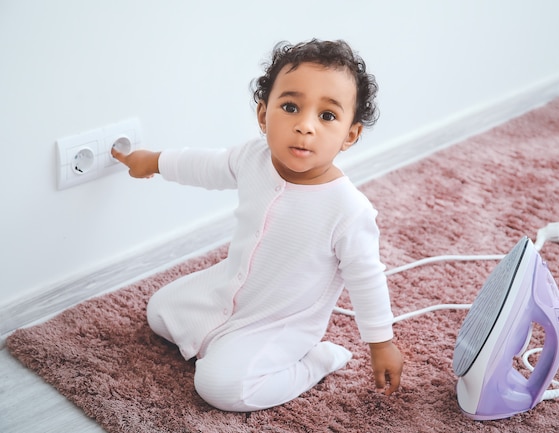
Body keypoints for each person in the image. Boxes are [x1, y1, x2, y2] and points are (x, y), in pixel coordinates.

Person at [112, 39, 403, 412]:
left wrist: (381, 343)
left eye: (327, 116)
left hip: (278, 322)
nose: (304, 126)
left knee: (220, 387)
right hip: (227, 290)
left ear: (350, 134)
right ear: (263, 115)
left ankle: (316, 361)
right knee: (158, 312)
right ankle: (218, 338)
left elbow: (367, 279)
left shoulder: (348, 210)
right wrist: (154, 161)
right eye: (290, 107)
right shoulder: (254, 156)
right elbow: (206, 165)